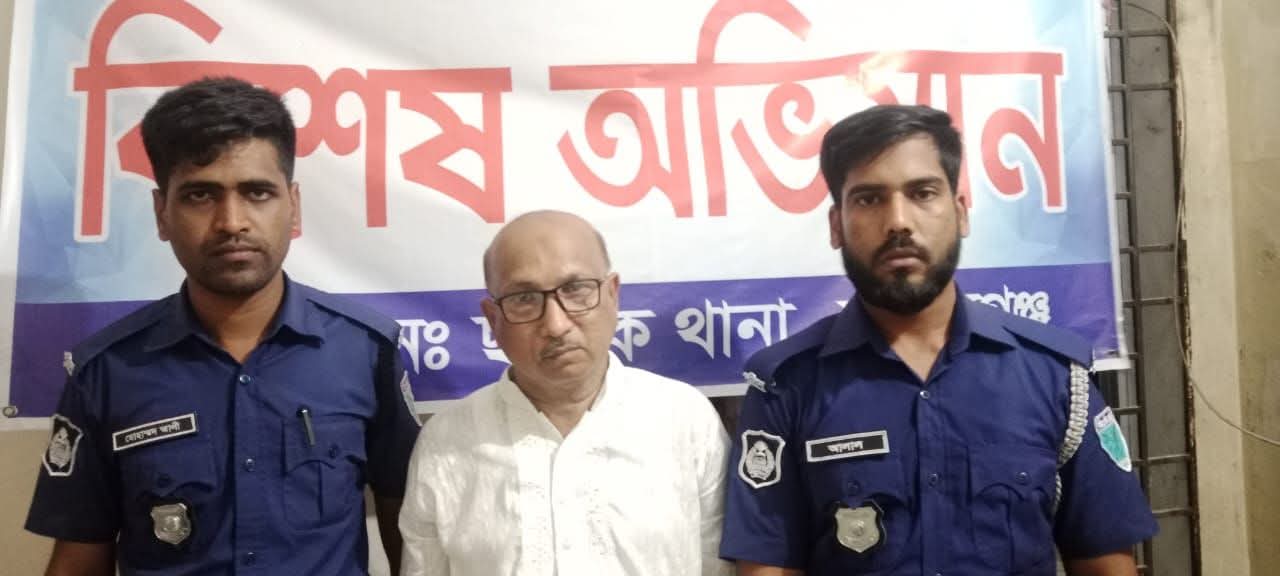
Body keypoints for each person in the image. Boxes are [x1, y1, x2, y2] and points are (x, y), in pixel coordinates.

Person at [719, 105, 1157, 575]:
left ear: (961, 212)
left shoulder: (1053, 376)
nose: (898, 222)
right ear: (836, 225)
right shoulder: (787, 386)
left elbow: (1104, 561)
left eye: (922, 193)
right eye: (869, 199)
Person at [25, 77, 420, 575]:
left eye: (257, 192)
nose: (232, 221)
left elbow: (413, 536)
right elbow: (79, 560)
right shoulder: (105, 373)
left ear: (293, 206)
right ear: (161, 213)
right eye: (200, 195)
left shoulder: (365, 352)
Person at [398, 210, 733, 576]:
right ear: (493, 319)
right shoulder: (447, 441)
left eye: (575, 289)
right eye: (524, 298)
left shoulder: (684, 419)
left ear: (613, 294)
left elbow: (719, 565)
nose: (556, 325)